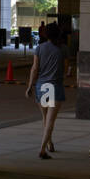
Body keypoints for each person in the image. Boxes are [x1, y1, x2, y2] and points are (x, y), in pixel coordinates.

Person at [26, 22, 66, 159]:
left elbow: (35, 68)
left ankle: (49, 142)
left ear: (45, 34)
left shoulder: (39, 48)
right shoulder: (62, 49)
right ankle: (43, 149)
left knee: (45, 118)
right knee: (50, 121)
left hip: (42, 86)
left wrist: (30, 85)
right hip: (55, 87)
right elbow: (66, 68)